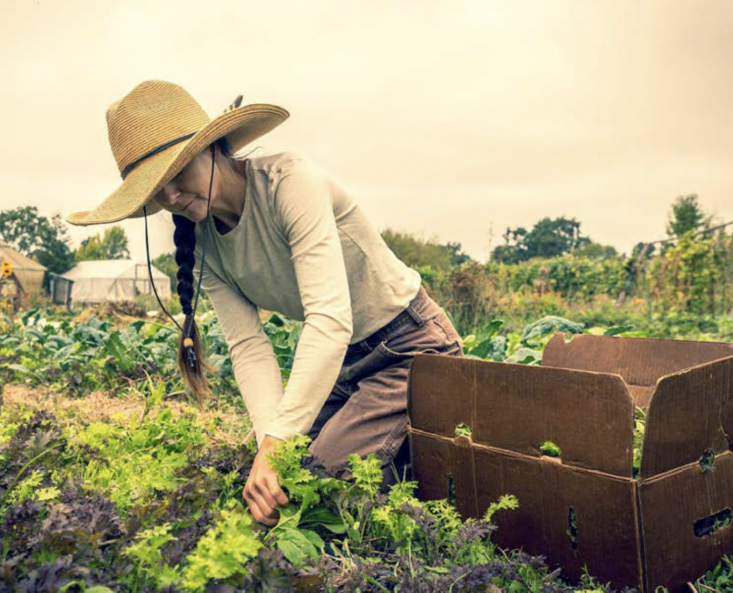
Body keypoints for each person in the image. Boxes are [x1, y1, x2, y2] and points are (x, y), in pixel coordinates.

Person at [67, 80, 464, 526]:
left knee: (313, 485)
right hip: (342, 365)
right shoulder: (202, 244)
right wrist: (268, 445)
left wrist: (278, 444)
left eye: (177, 175)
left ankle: (415, 459)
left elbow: (330, 320)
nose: (172, 197)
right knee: (276, 485)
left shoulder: (290, 184)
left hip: (409, 348)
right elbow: (248, 346)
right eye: (157, 190)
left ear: (213, 147)